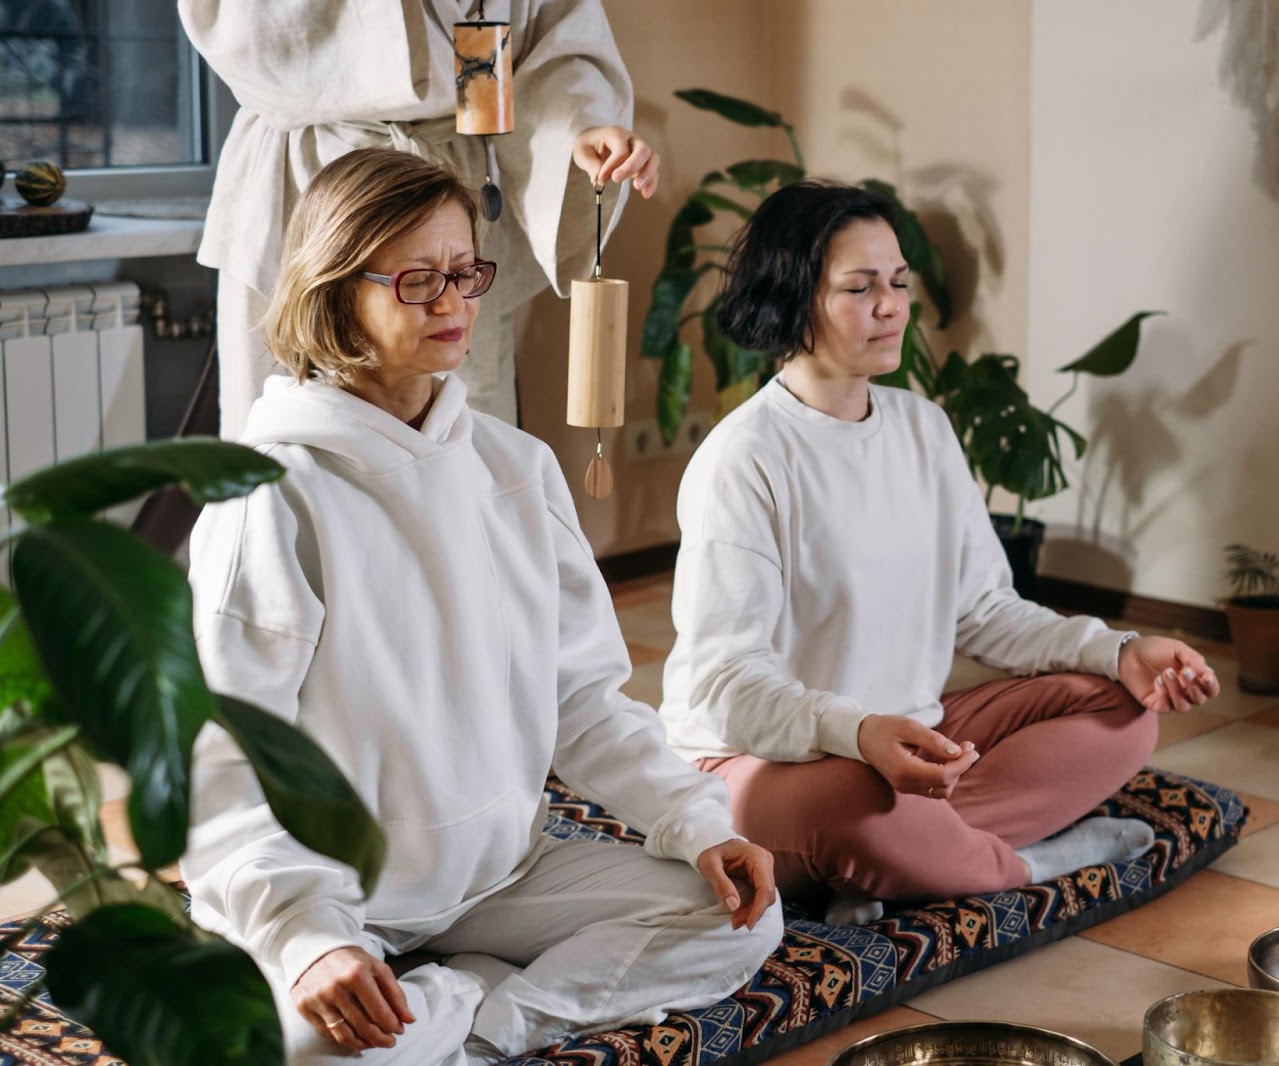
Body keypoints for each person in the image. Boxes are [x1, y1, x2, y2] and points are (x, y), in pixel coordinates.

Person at [182, 148, 780, 1066]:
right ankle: (447, 997)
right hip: (338, 891)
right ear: (336, 291)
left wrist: (697, 820)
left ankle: (486, 1020)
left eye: (465, 273)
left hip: (505, 873)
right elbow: (222, 758)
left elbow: (582, 700)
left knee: (738, 917)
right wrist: (308, 938)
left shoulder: (516, 469)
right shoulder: (269, 493)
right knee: (298, 1049)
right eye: (418, 281)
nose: (454, 304)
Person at [657, 182, 1223, 924]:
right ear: (793, 301)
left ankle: (902, 860)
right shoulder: (745, 459)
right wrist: (855, 735)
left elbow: (985, 610)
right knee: (854, 798)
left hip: (906, 749)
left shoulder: (923, 429)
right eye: (861, 288)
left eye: (898, 283)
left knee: (1125, 707)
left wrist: (1119, 649)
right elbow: (725, 683)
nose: (891, 306)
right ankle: (1028, 863)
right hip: (758, 767)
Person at [177, 0, 659, 433]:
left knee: (462, 432)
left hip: (451, 178)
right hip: (314, 174)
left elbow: (558, 41)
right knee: (298, 425)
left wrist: (580, 126)